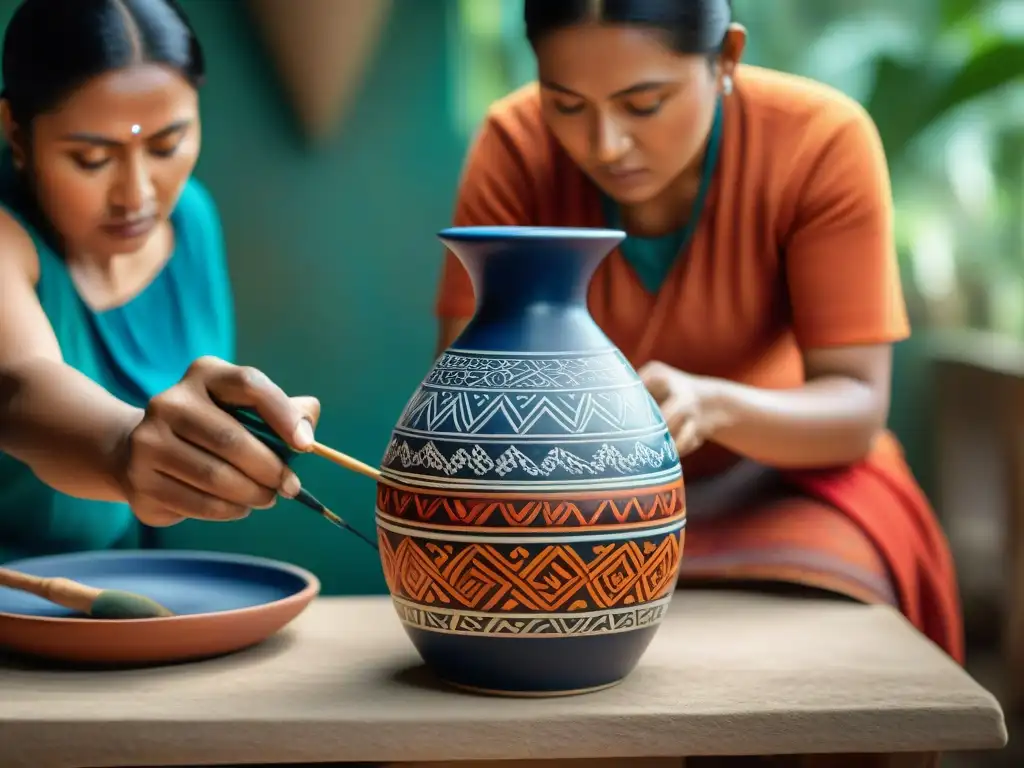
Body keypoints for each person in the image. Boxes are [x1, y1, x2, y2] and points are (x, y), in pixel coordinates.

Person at [428, 2, 962, 765]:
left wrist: (714, 404)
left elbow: (855, 407)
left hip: (785, 479)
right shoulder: (516, 142)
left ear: (727, 58)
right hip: (579, 504)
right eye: (566, 103)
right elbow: (463, 392)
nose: (604, 145)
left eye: (644, 104)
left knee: (837, 674)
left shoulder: (818, 139)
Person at [0, 0, 317, 563]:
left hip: (117, 604)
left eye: (167, 145)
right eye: (92, 158)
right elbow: (19, 387)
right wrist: (125, 448)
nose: (139, 195)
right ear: (15, 133)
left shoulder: (190, 217)